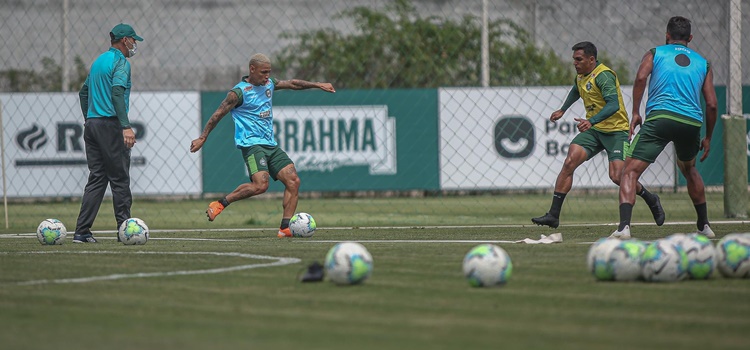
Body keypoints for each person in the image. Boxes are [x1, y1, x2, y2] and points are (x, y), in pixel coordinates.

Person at [190, 53, 335, 238]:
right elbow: (218, 113)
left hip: (270, 145)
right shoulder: (238, 93)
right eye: (263, 72)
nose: (267, 76)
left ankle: (285, 227)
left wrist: (318, 85)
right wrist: (203, 137)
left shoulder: (269, 84)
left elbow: (292, 83)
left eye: (269, 72)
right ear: (252, 69)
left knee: (293, 181)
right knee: (260, 185)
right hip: (251, 145)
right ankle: (220, 204)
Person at [532, 42, 664, 229]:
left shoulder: (604, 76)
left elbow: (613, 105)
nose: (575, 63)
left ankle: (650, 198)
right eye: (574, 60)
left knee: (618, 176)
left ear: (591, 59)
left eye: (579, 59)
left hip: (616, 132)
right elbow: (576, 90)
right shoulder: (581, 76)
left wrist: (591, 121)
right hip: (595, 132)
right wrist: (562, 110)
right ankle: (553, 215)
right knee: (570, 161)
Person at [611, 16, 717, 239]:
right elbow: (712, 104)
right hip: (691, 123)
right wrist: (708, 137)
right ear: (690, 38)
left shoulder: (655, 53)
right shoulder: (703, 63)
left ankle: (624, 228)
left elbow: (640, 78)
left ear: (667, 35)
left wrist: (636, 112)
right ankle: (704, 225)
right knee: (689, 170)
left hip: (660, 118)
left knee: (628, 172)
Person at [73, 23, 143, 243]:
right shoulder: (120, 62)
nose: (134, 44)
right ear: (125, 41)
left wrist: (88, 119)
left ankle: (82, 232)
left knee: (97, 179)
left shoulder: (98, 62)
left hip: (92, 125)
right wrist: (125, 126)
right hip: (110, 125)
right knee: (120, 179)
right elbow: (117, 92)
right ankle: (126, 231)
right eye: (133, 40)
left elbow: (83, 93)